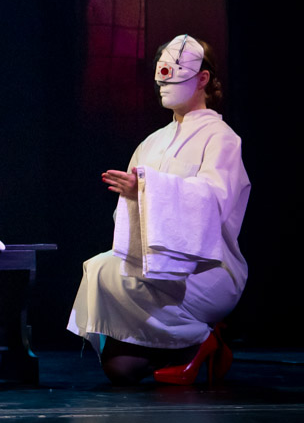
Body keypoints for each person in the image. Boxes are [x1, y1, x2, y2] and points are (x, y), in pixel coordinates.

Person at [68, 35, 249, 385]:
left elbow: (214, 200)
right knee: (118, 365)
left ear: (202, 78)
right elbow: (125, 221)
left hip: (205, 269)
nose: (164, 83)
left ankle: (200, 338)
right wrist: (136, 197)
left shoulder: (221, 137)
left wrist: (148, 190)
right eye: (160, 75)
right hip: (152, 263)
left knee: (108, 270)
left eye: (175, 74)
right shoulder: (151, 142)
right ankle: (181, 344)